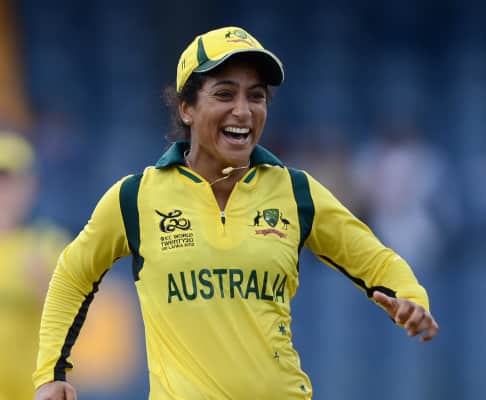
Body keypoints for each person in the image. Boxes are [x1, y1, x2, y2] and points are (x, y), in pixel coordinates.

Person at [33, 26, 439, 400]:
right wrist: (52, 372)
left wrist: (410, 297)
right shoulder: (135, 197)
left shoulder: (296, 191)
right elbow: (73, 274)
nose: (243, 111)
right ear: (187, 108)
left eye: (256, 96)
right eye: (225, 94)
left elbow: (375, 260)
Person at [0, 131, 69, 400]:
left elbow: (79, 318)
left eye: (10, 181)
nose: (3, 191)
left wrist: (45, 288)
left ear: (30, 187)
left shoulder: (46, 245)